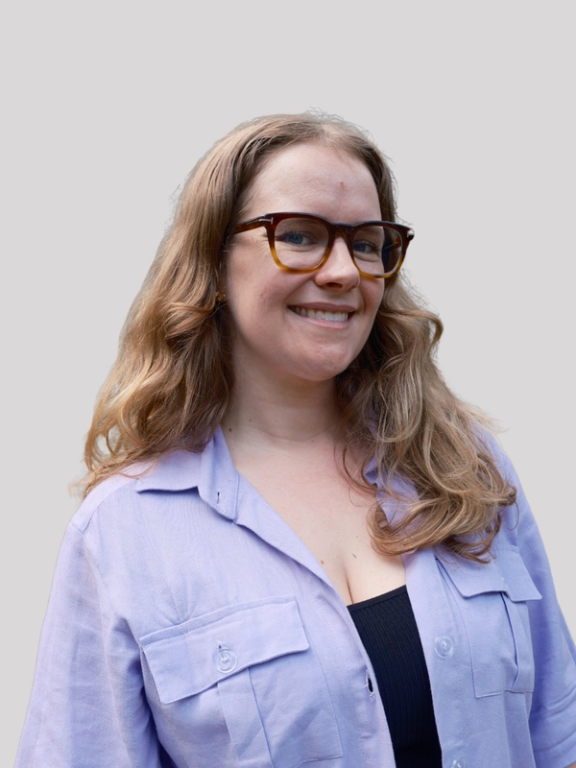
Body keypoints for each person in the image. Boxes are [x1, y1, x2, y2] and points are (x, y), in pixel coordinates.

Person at [15, 113, 576, 768]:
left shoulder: (464, 465)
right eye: (300, 236)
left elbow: (557, 736)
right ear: (212, 262)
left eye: (366, 243)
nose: (343, 272)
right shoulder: (122, 533)